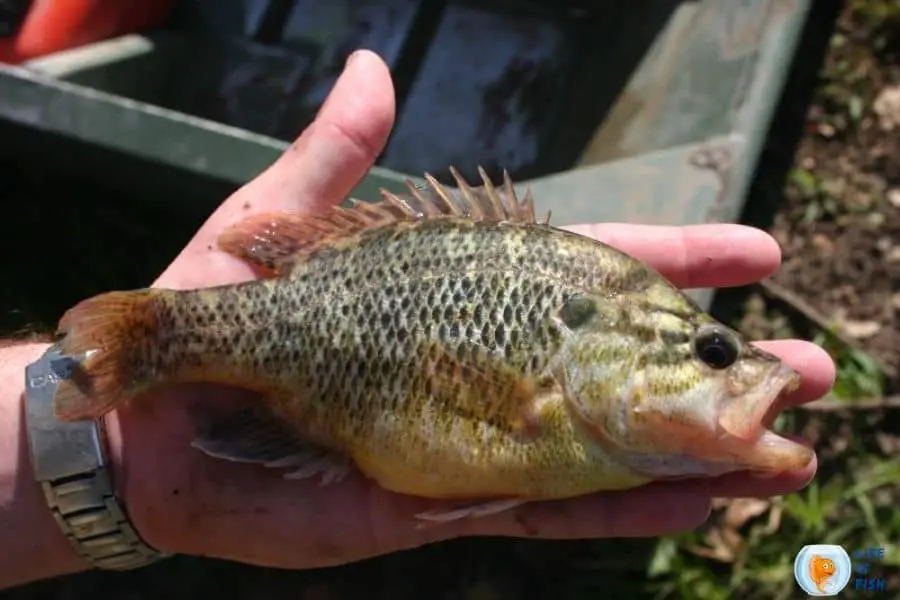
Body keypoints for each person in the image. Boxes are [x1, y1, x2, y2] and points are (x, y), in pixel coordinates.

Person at [0, 50, 835, 591]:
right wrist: (103, 456)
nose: (745, 372)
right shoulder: (562, 397)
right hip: (313, 358)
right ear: (600, 346)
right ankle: (150, 345)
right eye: (713, 353)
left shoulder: (590, 424)